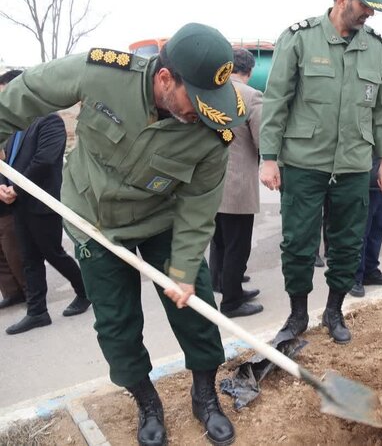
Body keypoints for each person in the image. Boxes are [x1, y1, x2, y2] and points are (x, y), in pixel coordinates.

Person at [0, 23, 241, 446]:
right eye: (197, 100)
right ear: (165, 79)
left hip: (162, 220)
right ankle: (147, 402)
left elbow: (199, 205)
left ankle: (204, 394)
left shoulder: (212, 135)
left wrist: (183, 269)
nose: (203, 113)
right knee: (116, 322)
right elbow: (27, 94)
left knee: (196, 307)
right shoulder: (102, 73)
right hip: (94, 221)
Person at [259, 0, 382, 344]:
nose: (368, 13)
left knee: (348, 241)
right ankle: (298, 314)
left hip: (353, 164)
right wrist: (268, 157)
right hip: (304, 163)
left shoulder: (376, 48)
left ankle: (333, 311)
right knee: (299, 242)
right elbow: (276, 101)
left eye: (372, 8)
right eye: (364, 5)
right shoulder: (299, 38)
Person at [0, 110, 92, 335]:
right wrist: (4, 186)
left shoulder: (49, 121)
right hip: (18, 203)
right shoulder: (15, 124)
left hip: (43, 201)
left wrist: (17, 187)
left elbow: (45, 160)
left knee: (52, 252)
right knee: (28, 257)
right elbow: (6, 161)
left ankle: (85, 291)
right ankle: (37, 311)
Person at [209, 48, 264, 318]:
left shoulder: (210, 92)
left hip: (211, 181)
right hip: (238, 182)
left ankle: (220, 283)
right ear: (250, 71)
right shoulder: (251, 95)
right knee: (237, 245)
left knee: (219, 239)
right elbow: (262, 139)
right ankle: (231, 302)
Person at [351, 58, 382, 299]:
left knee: (378, 226)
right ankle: (355, 276)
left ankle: (371, 269)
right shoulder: (363, 100)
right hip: (363, 171)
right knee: (361, 228)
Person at [0, 70, 27, 310]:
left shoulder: (28, 121)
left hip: (10, 198)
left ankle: (30, 292)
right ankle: (11, 292)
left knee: (13, 249)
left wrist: (10, 188)